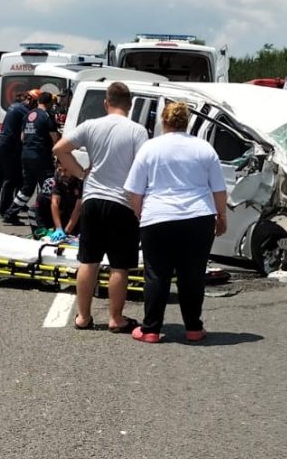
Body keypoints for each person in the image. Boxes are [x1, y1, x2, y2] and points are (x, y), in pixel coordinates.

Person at [124, 102, 227, 344]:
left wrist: (140, 214)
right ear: (187, 122)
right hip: (198, 217)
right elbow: (219, 189)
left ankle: (150, 329)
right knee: (192, 273)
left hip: (157, 216)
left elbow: (134, 191)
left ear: (164, 121)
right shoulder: (204, 149)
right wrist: (221, 216)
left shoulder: (150, 148)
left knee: (156, 273)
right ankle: (193, 327)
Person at [54, 81, 148, 334]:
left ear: (106, 103)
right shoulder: (137, 131)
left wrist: (80, 174)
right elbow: (142, 166)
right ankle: (116, 318)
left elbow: (60, 149)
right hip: (122, 202)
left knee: (89, 260)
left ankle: (83, 316)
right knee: (119, 265)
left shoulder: (91, 125)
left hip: (93, 199)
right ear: (129, 105)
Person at [4, 91, 60, 225]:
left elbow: (22, 137)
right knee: (48, 186)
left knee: (27, 188)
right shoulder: (47, 116)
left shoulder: (28, 115)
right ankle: (46, 218)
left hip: (26, 154)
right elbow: (55, 139)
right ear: (49, 103)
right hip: (41, 156)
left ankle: (10, 213)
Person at [0, 90, 33, 217]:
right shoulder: (23, 110)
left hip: (1, 143)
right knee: (11, 179)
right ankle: (5, 210)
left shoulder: (14, 107)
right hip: (9, 146)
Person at [35, 160, 83, 241]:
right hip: (66, 207)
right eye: (60, 170)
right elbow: (55, 203)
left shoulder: (81, 179)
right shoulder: (58, 176)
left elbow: (78, 208)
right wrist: (58, 228)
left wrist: (67, 231)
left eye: (65, 170)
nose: (62, 174)